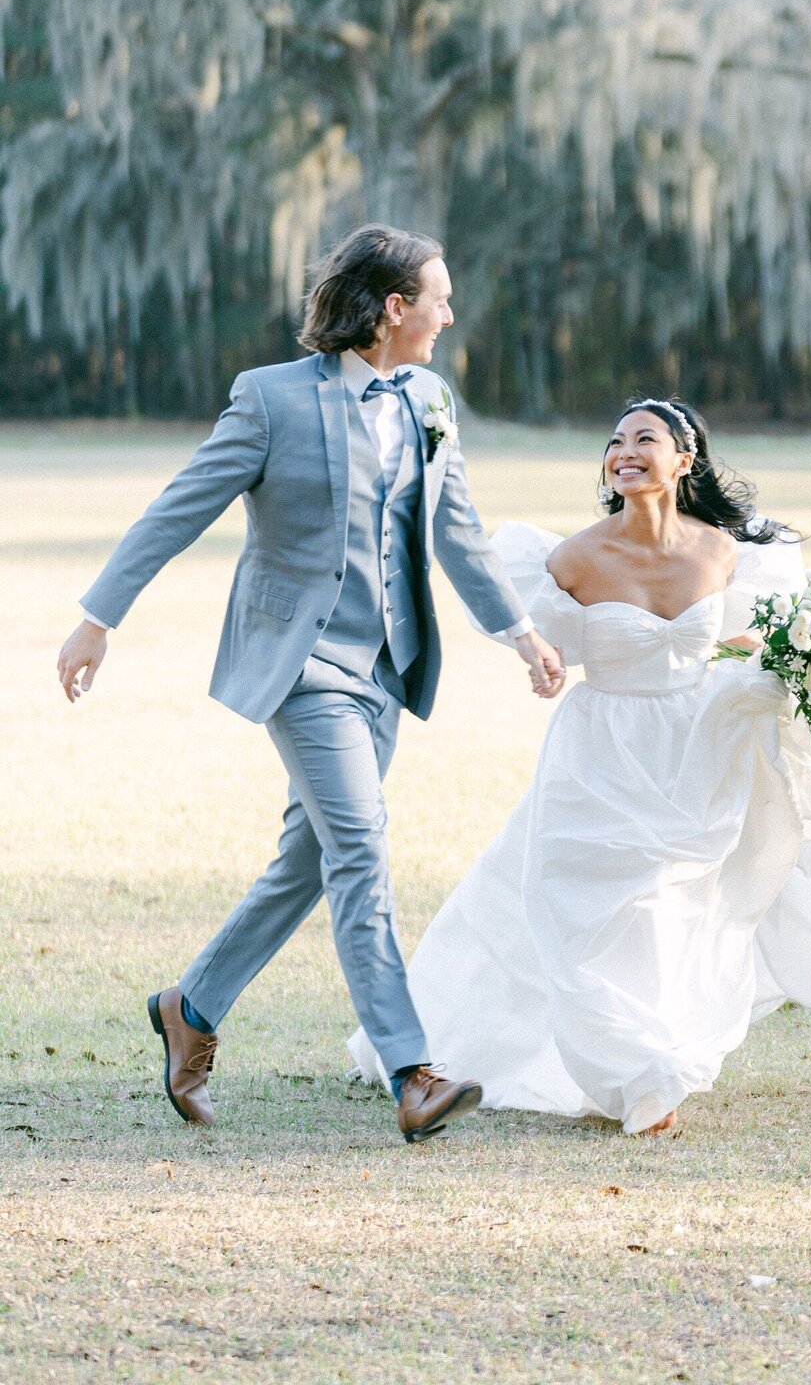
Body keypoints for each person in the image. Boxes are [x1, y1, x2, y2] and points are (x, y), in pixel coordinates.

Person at [55, 225, 565, 1143]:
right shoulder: (270, 400)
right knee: (362, 849)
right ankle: (414, 1072)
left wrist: (521, 637)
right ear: (392, 307)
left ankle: (191, 1007)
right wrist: (100, 616)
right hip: (300, 669)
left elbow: (459, 532)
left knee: (309, 859)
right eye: (437, 299)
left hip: (385, 670)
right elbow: (179, 507)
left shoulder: (431, 402)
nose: (451, 315)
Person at [349, 398, 811, 1135]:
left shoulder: (726, 554)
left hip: (697, 747)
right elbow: (539, 639)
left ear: (684, 461)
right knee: (574, 910)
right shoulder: (573, 556)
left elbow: (755, 638)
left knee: (675, 909)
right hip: (601, 752)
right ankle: (637, 1076)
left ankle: (654, 1039)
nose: (624, 450)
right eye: (615, 441)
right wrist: (540, 664)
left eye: (645, 439)